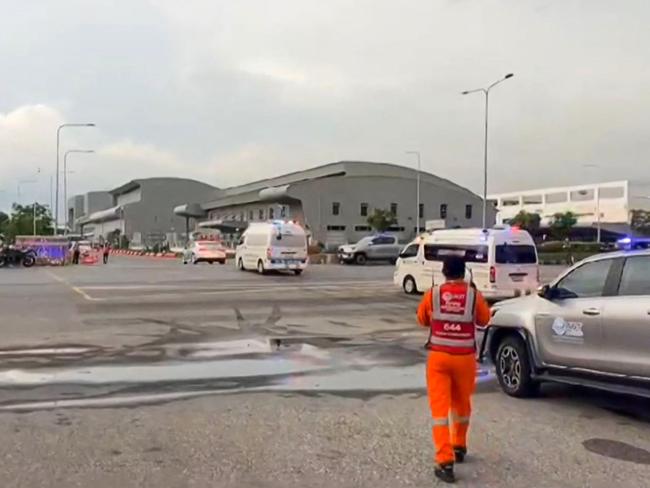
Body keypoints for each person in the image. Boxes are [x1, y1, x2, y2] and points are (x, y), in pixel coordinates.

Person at [417, 255, 491, 483]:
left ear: (444, 272)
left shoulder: (434, 294)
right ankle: (458, 446)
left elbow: (422, 320)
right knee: (461, 404)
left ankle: (444, 461)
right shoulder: (473, 294)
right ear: (464, 272)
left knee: (440, 413)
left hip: (439, 358)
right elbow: (484, 320)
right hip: (464, 358)